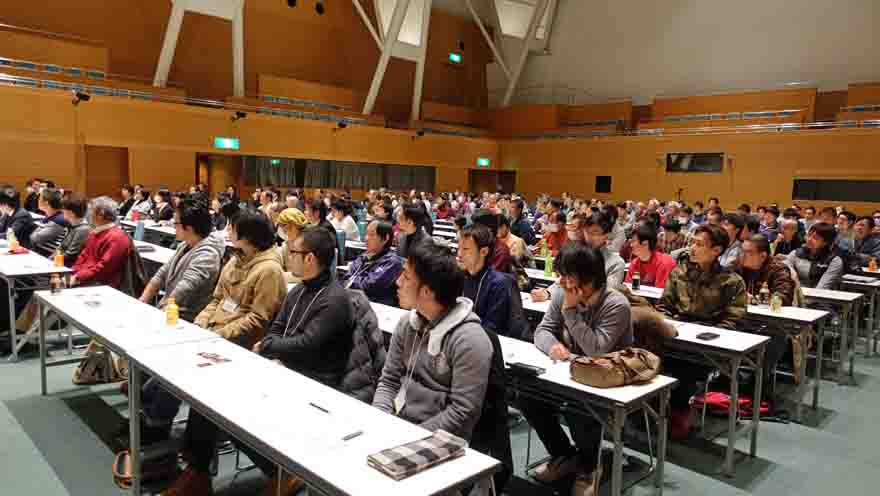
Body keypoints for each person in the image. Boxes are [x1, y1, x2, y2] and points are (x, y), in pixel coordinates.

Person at [161, 210, 288, 496]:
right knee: (198, 393)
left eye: (232, 229)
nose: (227, 232)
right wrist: (201, 324)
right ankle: (196, 466)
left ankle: (199, 468)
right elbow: (217, 299)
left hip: (242, 348)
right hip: (215, 339)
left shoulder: (269, 270)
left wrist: (217, 335)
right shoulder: (234, 260)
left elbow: (258, 319)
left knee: (212, 400)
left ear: (248, 237)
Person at [520, 243, 632, 495]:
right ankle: (565, 455)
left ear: (587, 279)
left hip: (606, 381)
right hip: (569, 374)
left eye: (566, 276)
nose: (561, 282)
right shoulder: (563, 292)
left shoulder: (616, 304)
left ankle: (591, 466)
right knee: (527, 396)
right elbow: (542, 330)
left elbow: (596, 350)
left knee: (579, 409)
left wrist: (570, 312)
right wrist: (552, 348)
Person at [373, 242, 493, 441]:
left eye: (407, 277)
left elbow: (462, 413)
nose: (398, 282)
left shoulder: (469, 340)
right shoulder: (407, 324)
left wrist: (409, 438)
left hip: (439, 441)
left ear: (427, 292)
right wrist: (380, 421)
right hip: (398, 427)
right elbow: (389, 381)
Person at [134, 197, 225, 441]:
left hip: (189, 321)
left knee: (166, 377)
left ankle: (157, 423)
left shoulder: (207, 254)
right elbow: (163, 273)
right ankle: (146, 415)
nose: (172, 227)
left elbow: (184, 288)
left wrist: (160, 310)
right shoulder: (186, 244)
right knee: (145, 372)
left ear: (189, 228)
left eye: (175, 224)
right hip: (173, 314)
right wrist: (143, 300)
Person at [656, 224, 747, 439]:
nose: (692, 249)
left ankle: (679, 408)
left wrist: (708, 337)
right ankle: (651, 407)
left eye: (699, 244)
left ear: (716, 250)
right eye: (692, 243)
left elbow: (733, 320)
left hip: (707, 346)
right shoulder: (679, 272)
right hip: (676, 337)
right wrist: (667, 324)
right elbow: (664, 307)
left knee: (684, 367)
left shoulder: (731, 282)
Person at [738, 234, 795, 399]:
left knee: (774, 337)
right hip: (744, 318)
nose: (743, 256)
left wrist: (755, 300)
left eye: (748, 252)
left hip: (770, 322)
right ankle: (724, 379)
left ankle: (757, 387)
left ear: (762, 255)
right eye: (743, 251)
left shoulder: (778, 269)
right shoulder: (741, 266)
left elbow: (783, 297)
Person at [458, 223, 514, 336]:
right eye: (459, 248)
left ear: (484, 252)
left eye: (465, 249)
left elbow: (492, 328)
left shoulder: (498, 284)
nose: (459, 254)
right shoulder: (457, 276)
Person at [69, 197, 132, 289]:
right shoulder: (95, 232)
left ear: (100, 214)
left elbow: (104, 268)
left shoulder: (117, 237)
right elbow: (83, 256)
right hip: (85, 278)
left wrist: (78, 277)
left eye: (91, 211)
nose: (88, 214)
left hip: (101, 284)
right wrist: (73, 273)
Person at [342, 220, 403, 306]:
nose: (366, 238)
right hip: (356, 302)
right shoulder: (364, 256)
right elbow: (346, 277)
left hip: (378, 307)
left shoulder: (392, 262)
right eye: (366, 234)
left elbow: (369, 286)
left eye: (372, 235)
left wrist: (352, 280)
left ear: (386, 238)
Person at [784, 222, 844, 290]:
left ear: (826, 242)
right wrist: (792, 273)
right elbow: (786, 266)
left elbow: (821, 288)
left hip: (819, 297)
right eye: (809, 235)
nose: (809, 239)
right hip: (796, 294)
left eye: (815, 238)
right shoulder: (796, 253)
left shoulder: (834, 261)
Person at [625, 223, 677, 288]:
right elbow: (628, 289)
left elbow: (660, 294)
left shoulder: (664, 263)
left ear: (645, 244)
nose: (631, 245)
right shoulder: (634, 263)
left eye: (633, 241)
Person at [29, 188, 69, 257]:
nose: (38, 200)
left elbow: (35, 238)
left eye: (39, 198)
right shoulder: (51, 216)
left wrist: (35, 231)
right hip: (40, 252)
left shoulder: (59, 220)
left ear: (46, 203)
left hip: (47, 256)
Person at [471, 210, 514, 274]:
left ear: (490, 229)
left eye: (477, 228)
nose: (473, 231)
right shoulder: (481, 244)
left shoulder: (501, 251)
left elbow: (490, 278)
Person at [275, 208, 310, 284]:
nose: (283, 231)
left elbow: (307, 275)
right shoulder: (285, 246)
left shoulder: (310, 244)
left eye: (285, 227)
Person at [58, 193, 92, 267]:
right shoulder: (71, 224)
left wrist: (52, 261)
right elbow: (60, 248)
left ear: (71, 213)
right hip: (60, 263)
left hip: (68, 268)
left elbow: (70, 255)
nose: (61, 211)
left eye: (63, 209)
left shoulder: (83, 230)